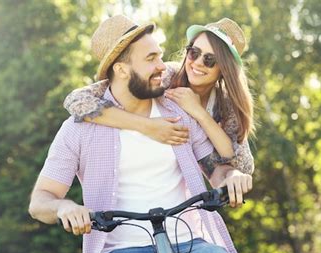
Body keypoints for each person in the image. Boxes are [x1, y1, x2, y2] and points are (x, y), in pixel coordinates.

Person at [29, 15, 276, 253]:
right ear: (121, 69)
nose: (164, 66)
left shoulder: (179, 109)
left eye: (160, 56)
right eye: (152, 58)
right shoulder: (79, 129)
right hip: (119, 252)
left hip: (189, 240)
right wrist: (64, 208)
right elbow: (41, 201)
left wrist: (232, 176)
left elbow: (217, 168)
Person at [63, 18, 255, 175]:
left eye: (210, 59)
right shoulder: (166, 76)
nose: (197, 63)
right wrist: (148, 127)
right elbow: (76, 101)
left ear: (225, 69)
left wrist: (199, 113)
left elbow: (244, 166)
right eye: (193, 52)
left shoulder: (225, 104)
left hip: (190, 181)